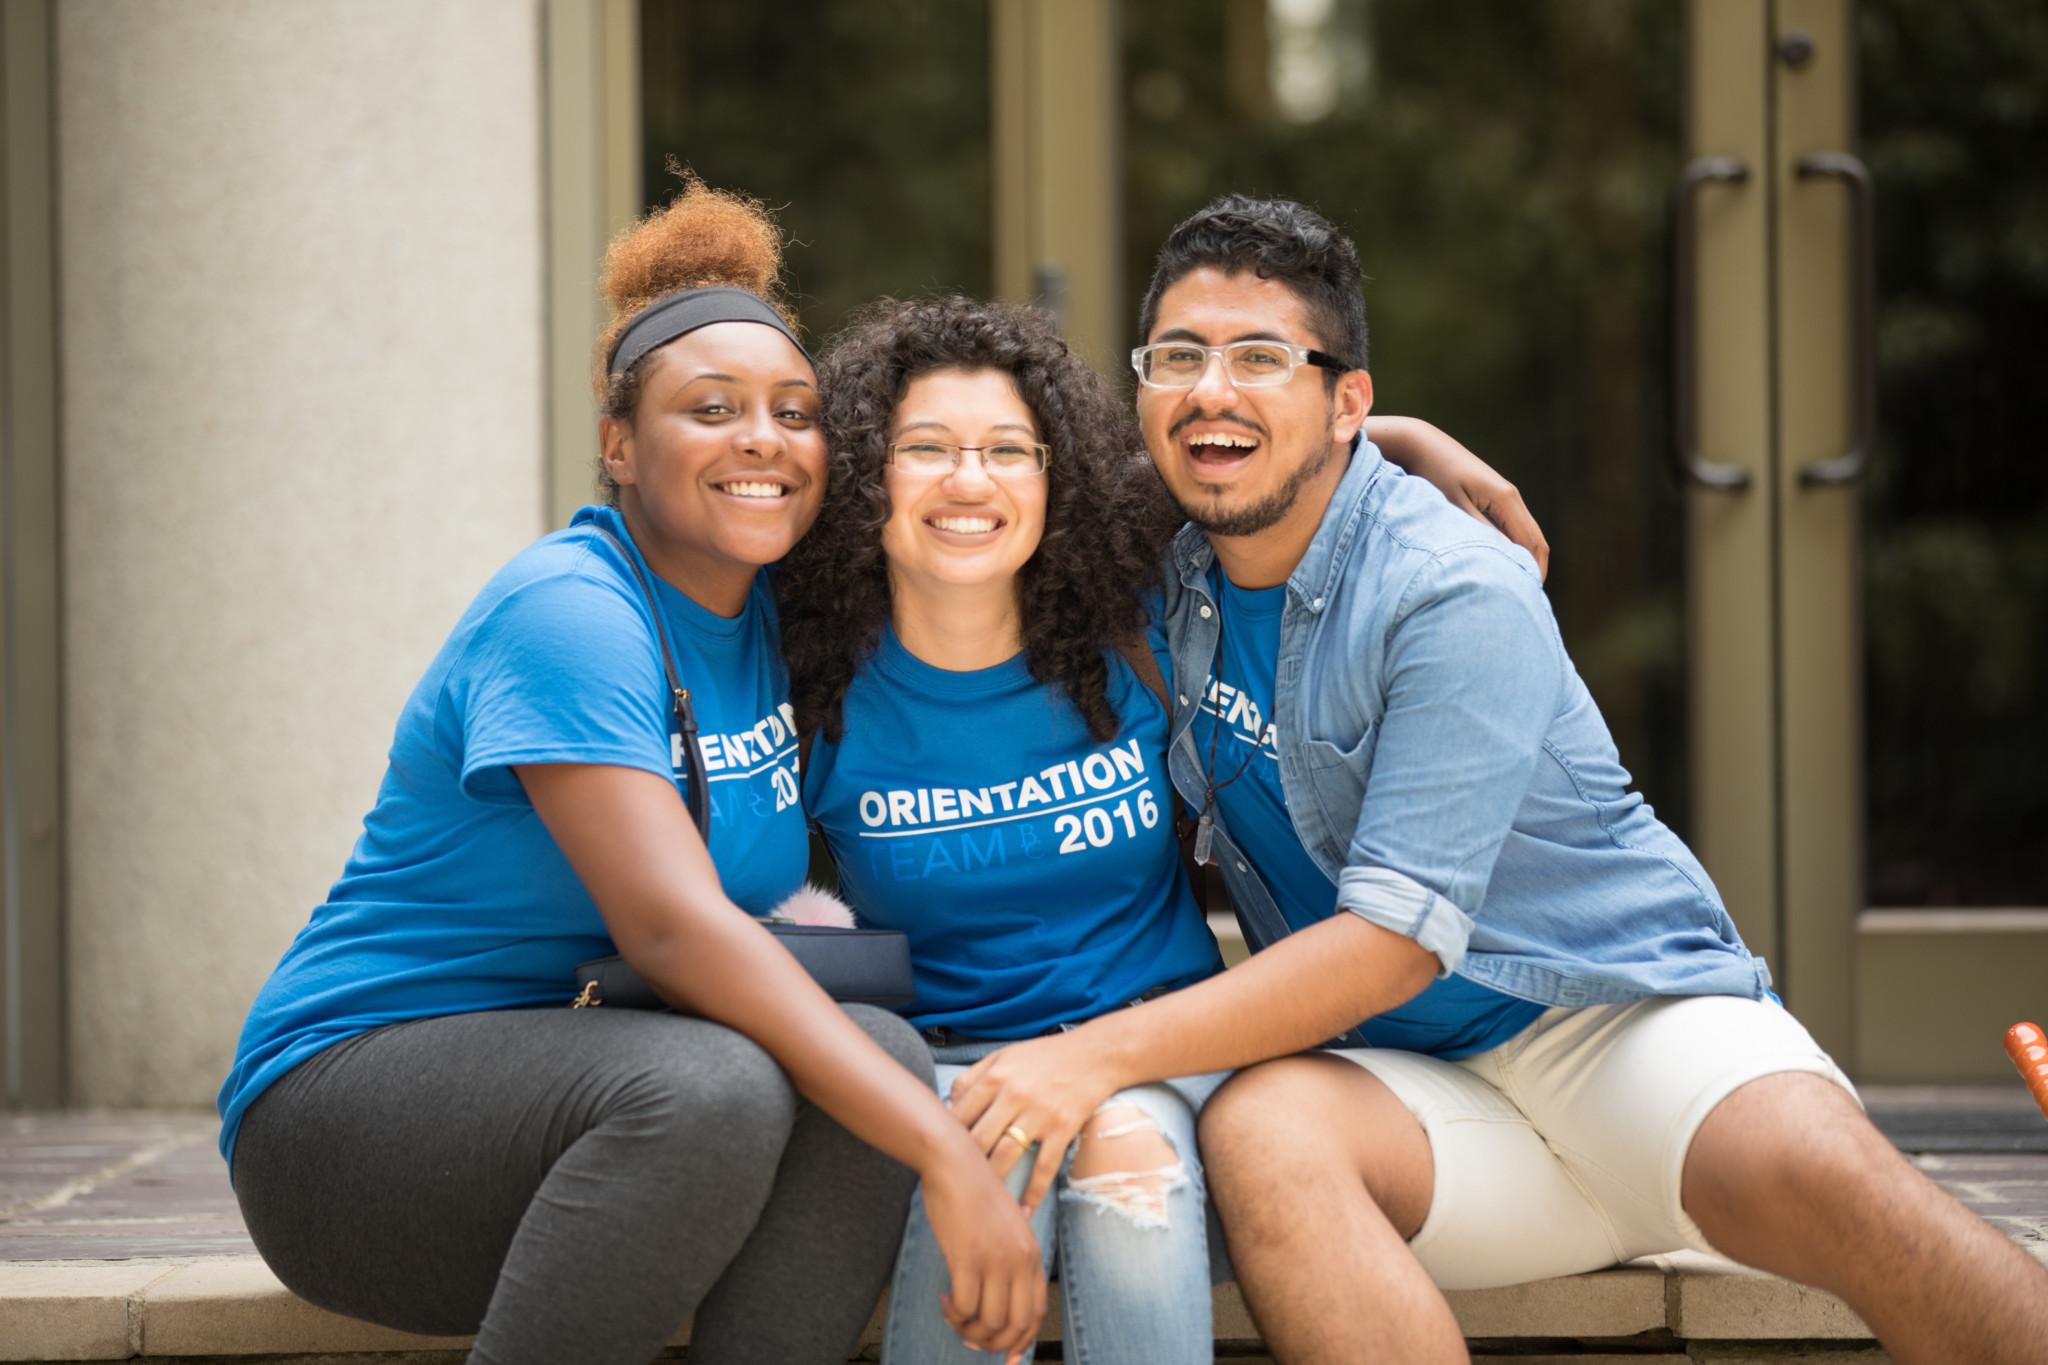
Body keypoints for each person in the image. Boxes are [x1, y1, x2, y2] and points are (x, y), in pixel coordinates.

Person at [941, 195, 2048, 1365]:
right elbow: (945, 486)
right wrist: (1390, 432)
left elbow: (1389, 943)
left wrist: (1095, 1052)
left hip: (1620, 1025)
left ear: (1342, 397)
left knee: (1841, 1186)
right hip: (1415, 1094)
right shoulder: (1162, 556)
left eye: (1261, 358)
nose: (1213, 389)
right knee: (1265, 1129)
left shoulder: (1449, 586)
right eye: (1179, 358)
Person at [215, 180, 1044, 1365]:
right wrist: (944, 1150)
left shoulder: (777, 617)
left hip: (586, 1100)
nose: (762, 438)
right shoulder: (571, 611)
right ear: (618, 444)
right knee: (712, 1087)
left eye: (793, 412)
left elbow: (1035, 530)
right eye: (710, 409)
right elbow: (673, 936)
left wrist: (1384, 451)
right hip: (348, 1131)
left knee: (875, 1053)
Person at [779, 295, 1550, 1364]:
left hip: (1169, 1049)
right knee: (996, 1159)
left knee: (1124, 1158)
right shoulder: (814, 690)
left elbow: (1248, 463)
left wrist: (1401, 438)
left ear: (1057, 480)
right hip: (952, 1064)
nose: (970, 481)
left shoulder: (1132, 633)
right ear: (867, 478)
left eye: (1009, 449)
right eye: (926, 450)